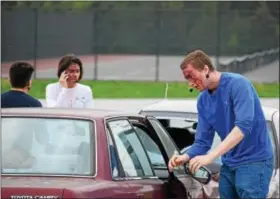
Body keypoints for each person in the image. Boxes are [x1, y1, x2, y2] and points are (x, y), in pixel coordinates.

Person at [168, 50, 273, 199]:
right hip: (229, 164)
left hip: (254, 162)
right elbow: (202, 143)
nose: (190, 83)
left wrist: (211, 156)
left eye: (191, 76)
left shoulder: (238, 84)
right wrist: (183, 157)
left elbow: (243, 127)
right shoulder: (203, 100)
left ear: (205, 69)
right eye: (187, 79)